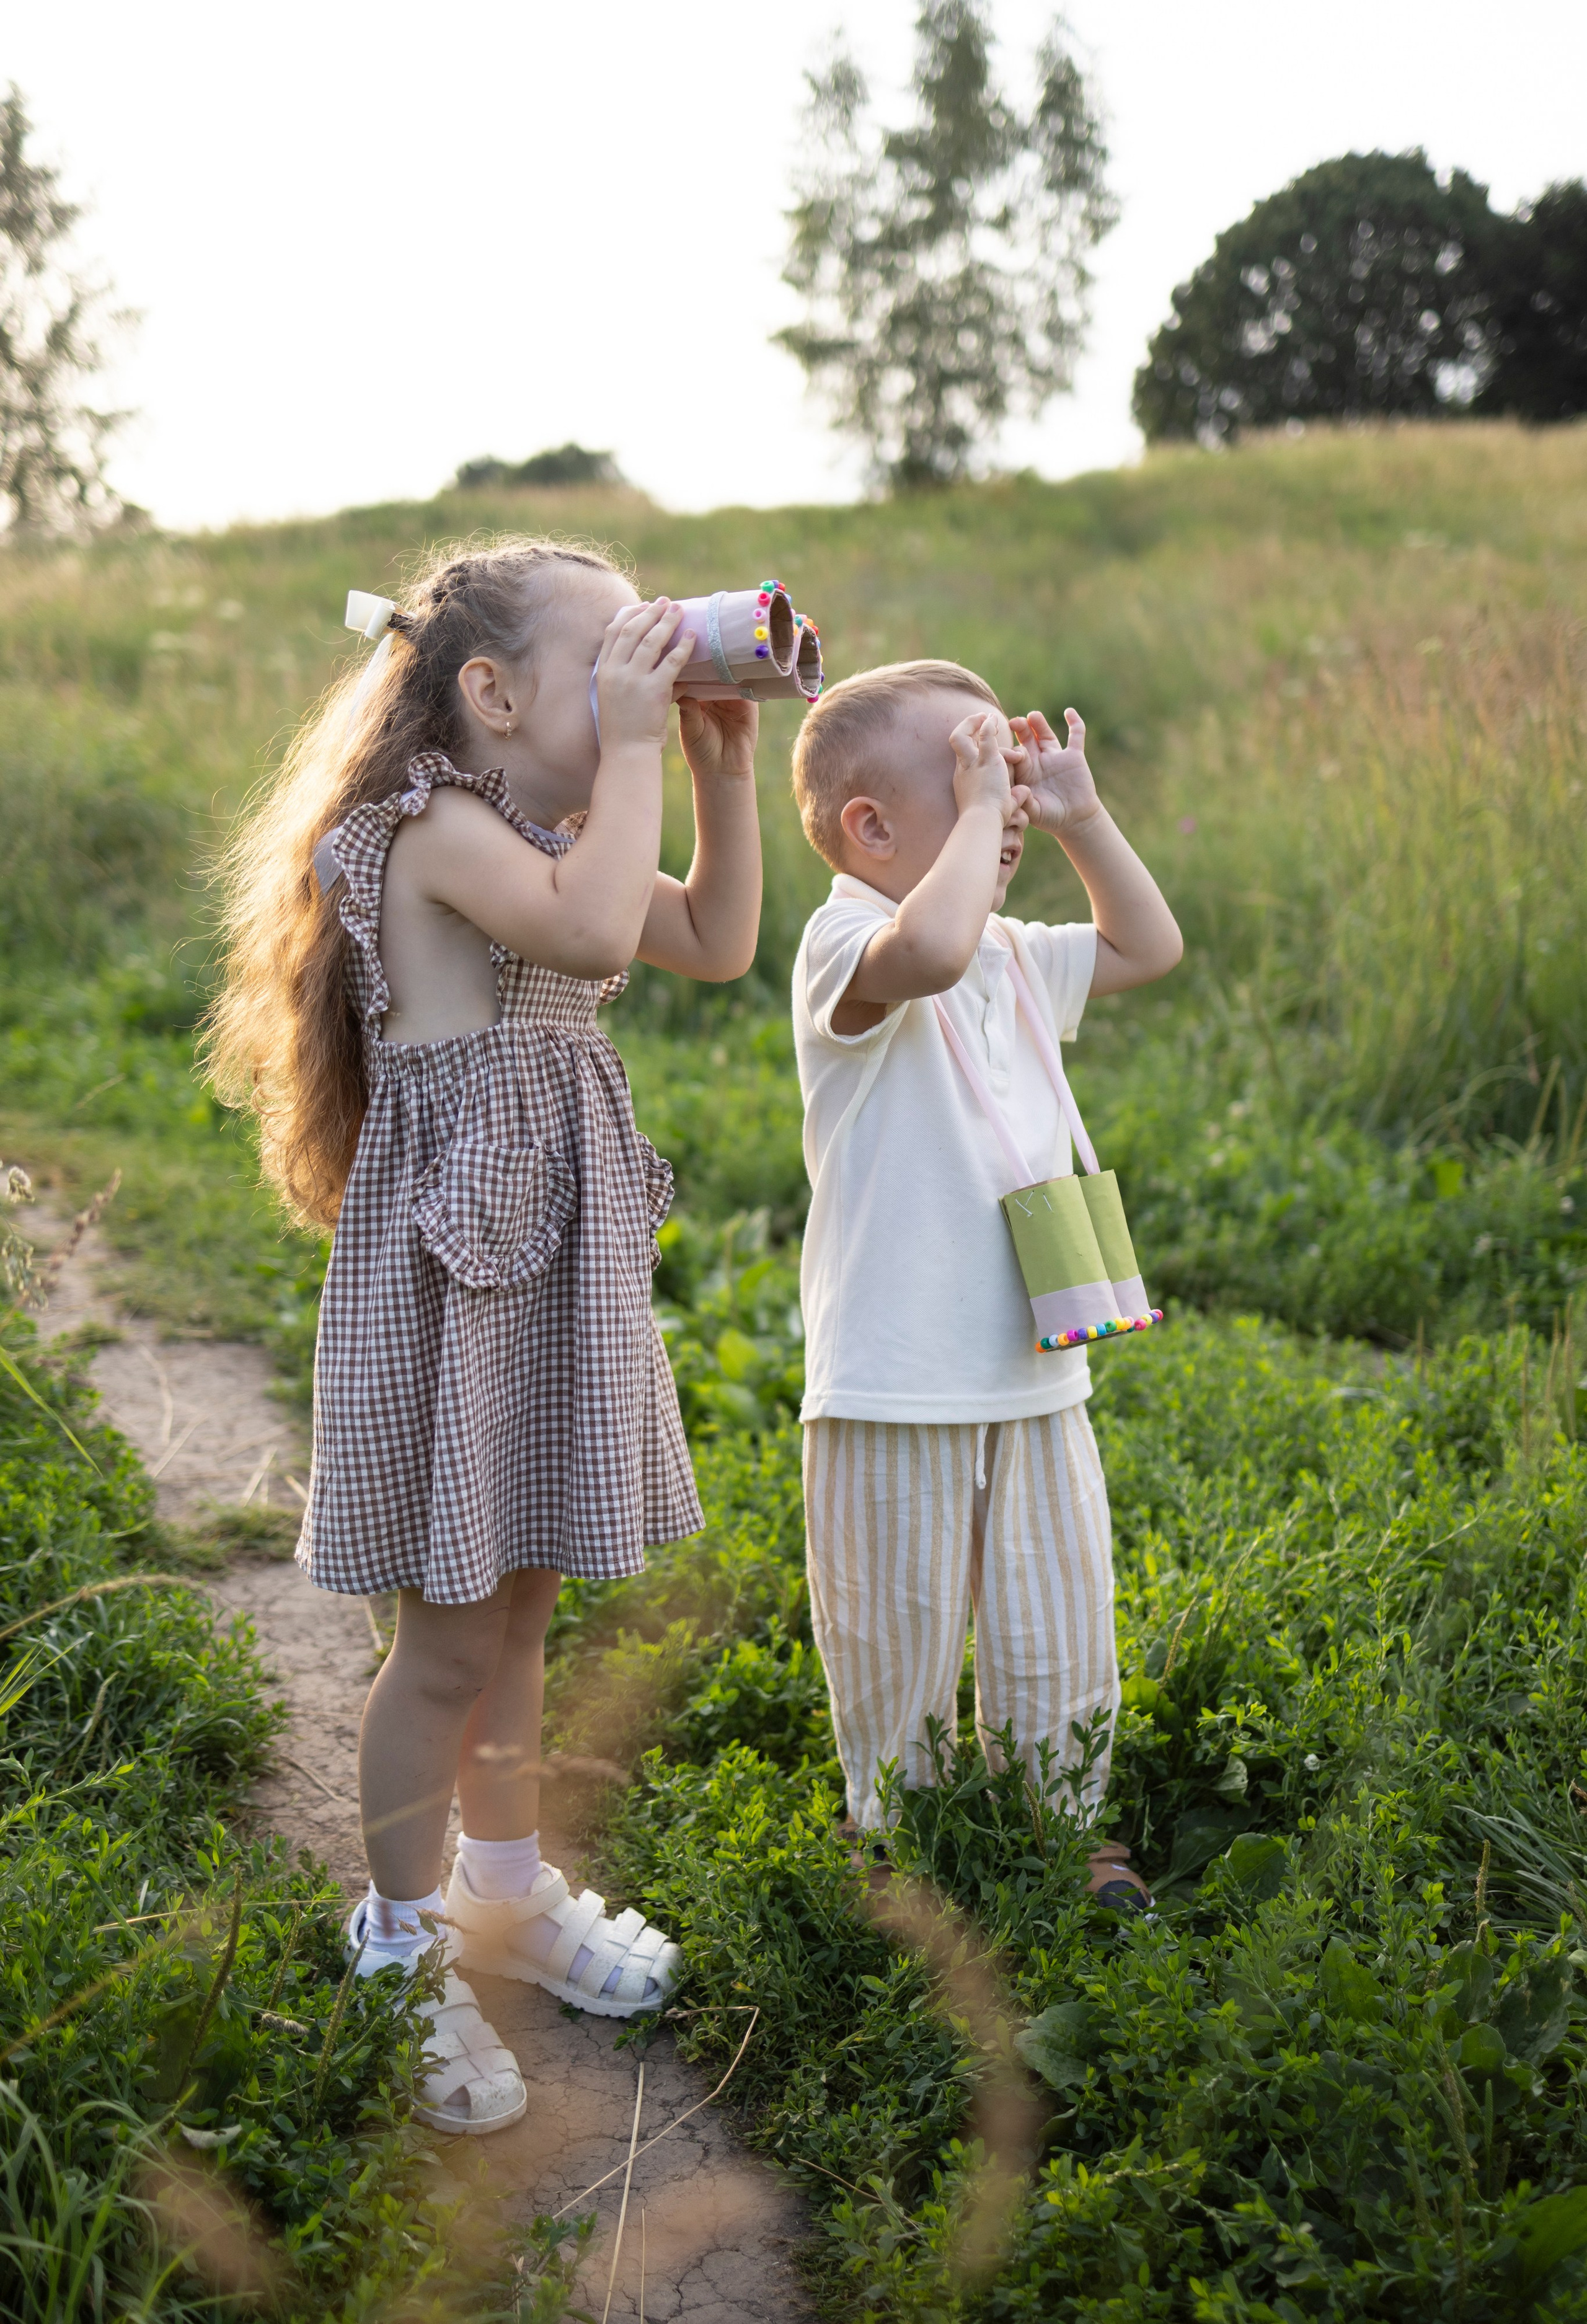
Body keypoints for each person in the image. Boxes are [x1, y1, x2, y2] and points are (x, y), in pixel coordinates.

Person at [208, 541, 763, 2131]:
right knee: (446, 1635)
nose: (637, 691)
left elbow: (707, 941)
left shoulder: (545, 823)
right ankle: (396, 1940)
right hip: (456, 1278)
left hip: (547, 1267)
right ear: (494, 695)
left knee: (523, 1605)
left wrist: (715, 771)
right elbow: (592, 939)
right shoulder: (433, 828)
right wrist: (643, 758)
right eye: (613, 667)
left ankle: (503, 1890)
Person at [789, 661, 1182, 1909]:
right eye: (967, 780)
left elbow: (1148, 945)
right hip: (892, 1384)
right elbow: (932, 943)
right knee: (890, 1632)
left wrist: (1074, 814)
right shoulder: (847, 943)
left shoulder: (1010, 955)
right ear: (870, 829)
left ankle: (1052, 1825)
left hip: (1031, 1369)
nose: (999, 807)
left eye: (1002, 784)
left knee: (1056, 1622)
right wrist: (976, 819)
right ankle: (891, 1834)